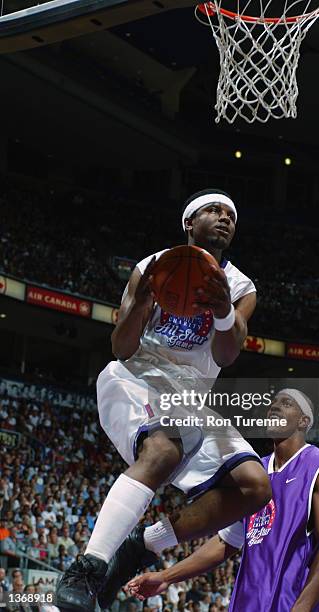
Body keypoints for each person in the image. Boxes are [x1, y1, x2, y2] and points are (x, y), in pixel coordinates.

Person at [56, 189, 271, 610]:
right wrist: (140, 303)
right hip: (135, 379)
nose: (225, 218)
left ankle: (143, 542)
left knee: (254, 487)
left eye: (231, 213)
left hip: (190, 397)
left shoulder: (243, 286)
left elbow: (226, 355)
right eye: (213, 210)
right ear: (189, 223)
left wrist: (225, 311)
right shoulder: (151, 266)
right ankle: (88, 567)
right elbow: (121, 346)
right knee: (163, 449)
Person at [127, 389, 319, 611]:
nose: (274, 407)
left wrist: (302, 607)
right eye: (273, 403)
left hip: (294, 600)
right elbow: (225, 542)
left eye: (286, 403)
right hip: (250, 601)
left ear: (303, 421)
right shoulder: (256, 473)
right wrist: (166, 577)